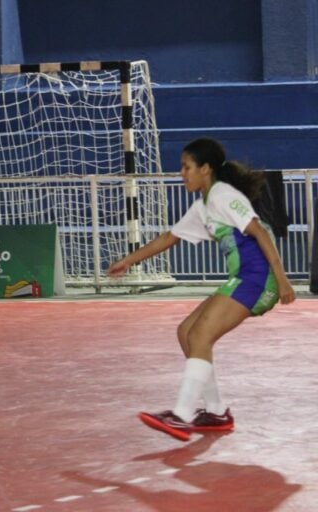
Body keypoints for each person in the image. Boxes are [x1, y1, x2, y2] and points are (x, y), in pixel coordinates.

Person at [107, 137, 296, 441]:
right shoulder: (203, 206)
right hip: (243, 277)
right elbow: (169, 238)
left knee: (200, 335)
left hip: (258, 279)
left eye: (187, 167)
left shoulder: (222, 195)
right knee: (187, 333)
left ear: (205, 169)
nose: (182, 173)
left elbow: (259, 231)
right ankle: (216, 412)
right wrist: (127, 261)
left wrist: (283, 280)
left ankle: (182, 416)